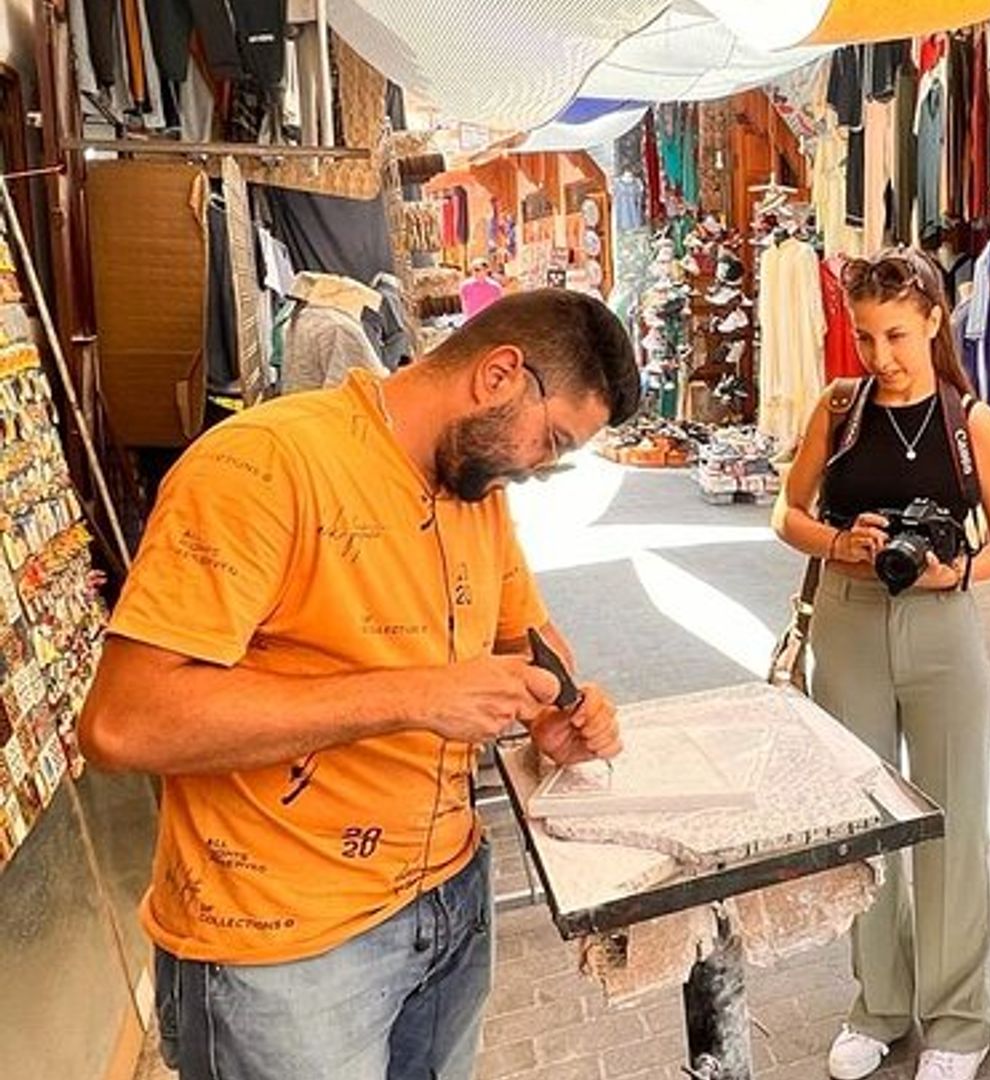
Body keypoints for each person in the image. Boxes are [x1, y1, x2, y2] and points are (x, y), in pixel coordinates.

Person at [77, 288, 642, 1080]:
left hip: (448, 898)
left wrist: (559, 711)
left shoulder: (473, 487)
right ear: (500, 374)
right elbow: (123, 724)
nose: (539, 470)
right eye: (549, 442)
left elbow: (531, 641)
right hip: (286, 952)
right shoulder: (264, 464)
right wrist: (415, 695)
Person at [770, 248, 990, 1080]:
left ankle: (959, 1019)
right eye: (867, 335)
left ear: (934, 321)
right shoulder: (838, 409)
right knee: (865, 825)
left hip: (943, 628)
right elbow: (787, 512)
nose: (882, 356)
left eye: (898, 335)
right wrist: (838, 541)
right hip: (847, 623)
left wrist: (953, 569)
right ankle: (878, 1005)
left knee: (953, 825)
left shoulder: (971, 420)